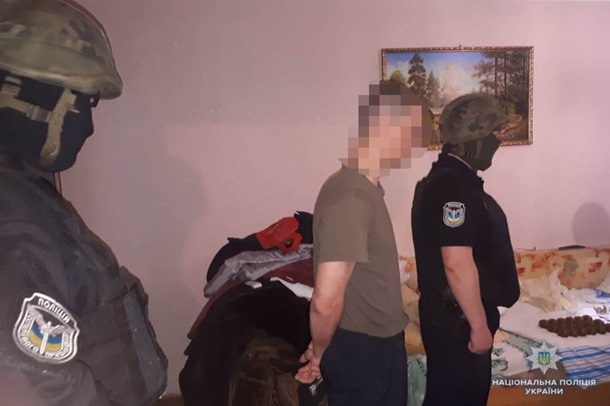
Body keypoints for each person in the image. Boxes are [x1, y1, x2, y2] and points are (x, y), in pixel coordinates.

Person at [0, 1, 168, 405]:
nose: (87, 127)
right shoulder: (13, 216)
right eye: (76, 104)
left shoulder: (27, 192)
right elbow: (34, 374)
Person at [295, 80, 431, 406]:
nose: (415, 148)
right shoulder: (352, 198)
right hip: (364, 351)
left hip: (376, 343)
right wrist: (321, 354)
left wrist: (321, 345)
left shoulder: (365, 190)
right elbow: (325, 302)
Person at [411, 93, 521, 406]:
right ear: (474, 140)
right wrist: (479, 326)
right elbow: (456, 263)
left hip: (453, 318)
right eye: (494, 134)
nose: (498, 141)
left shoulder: (452, 180)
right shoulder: (452, 187)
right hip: (456, 321)